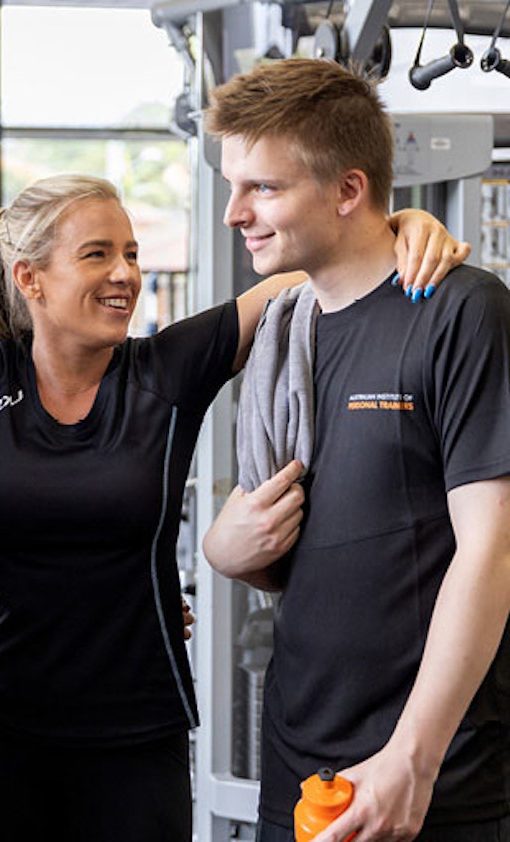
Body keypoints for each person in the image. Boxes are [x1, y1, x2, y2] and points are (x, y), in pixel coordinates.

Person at [0, 172, 463, 842]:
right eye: (98, 254)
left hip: (140, 731)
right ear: (29, 279)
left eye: (130, 253)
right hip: (4, 727)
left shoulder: (167, 368)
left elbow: (295, 279)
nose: (125, 273)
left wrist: (396, 224)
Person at [202, 58, 510, 842]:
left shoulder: (460, 314)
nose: (235, 212)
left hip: (432, 769)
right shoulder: (282, 326)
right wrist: (226, 548)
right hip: (301, 759)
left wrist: (415, 757)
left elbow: (492, 548)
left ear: (348, 190)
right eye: (234, 185)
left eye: (263, 188)